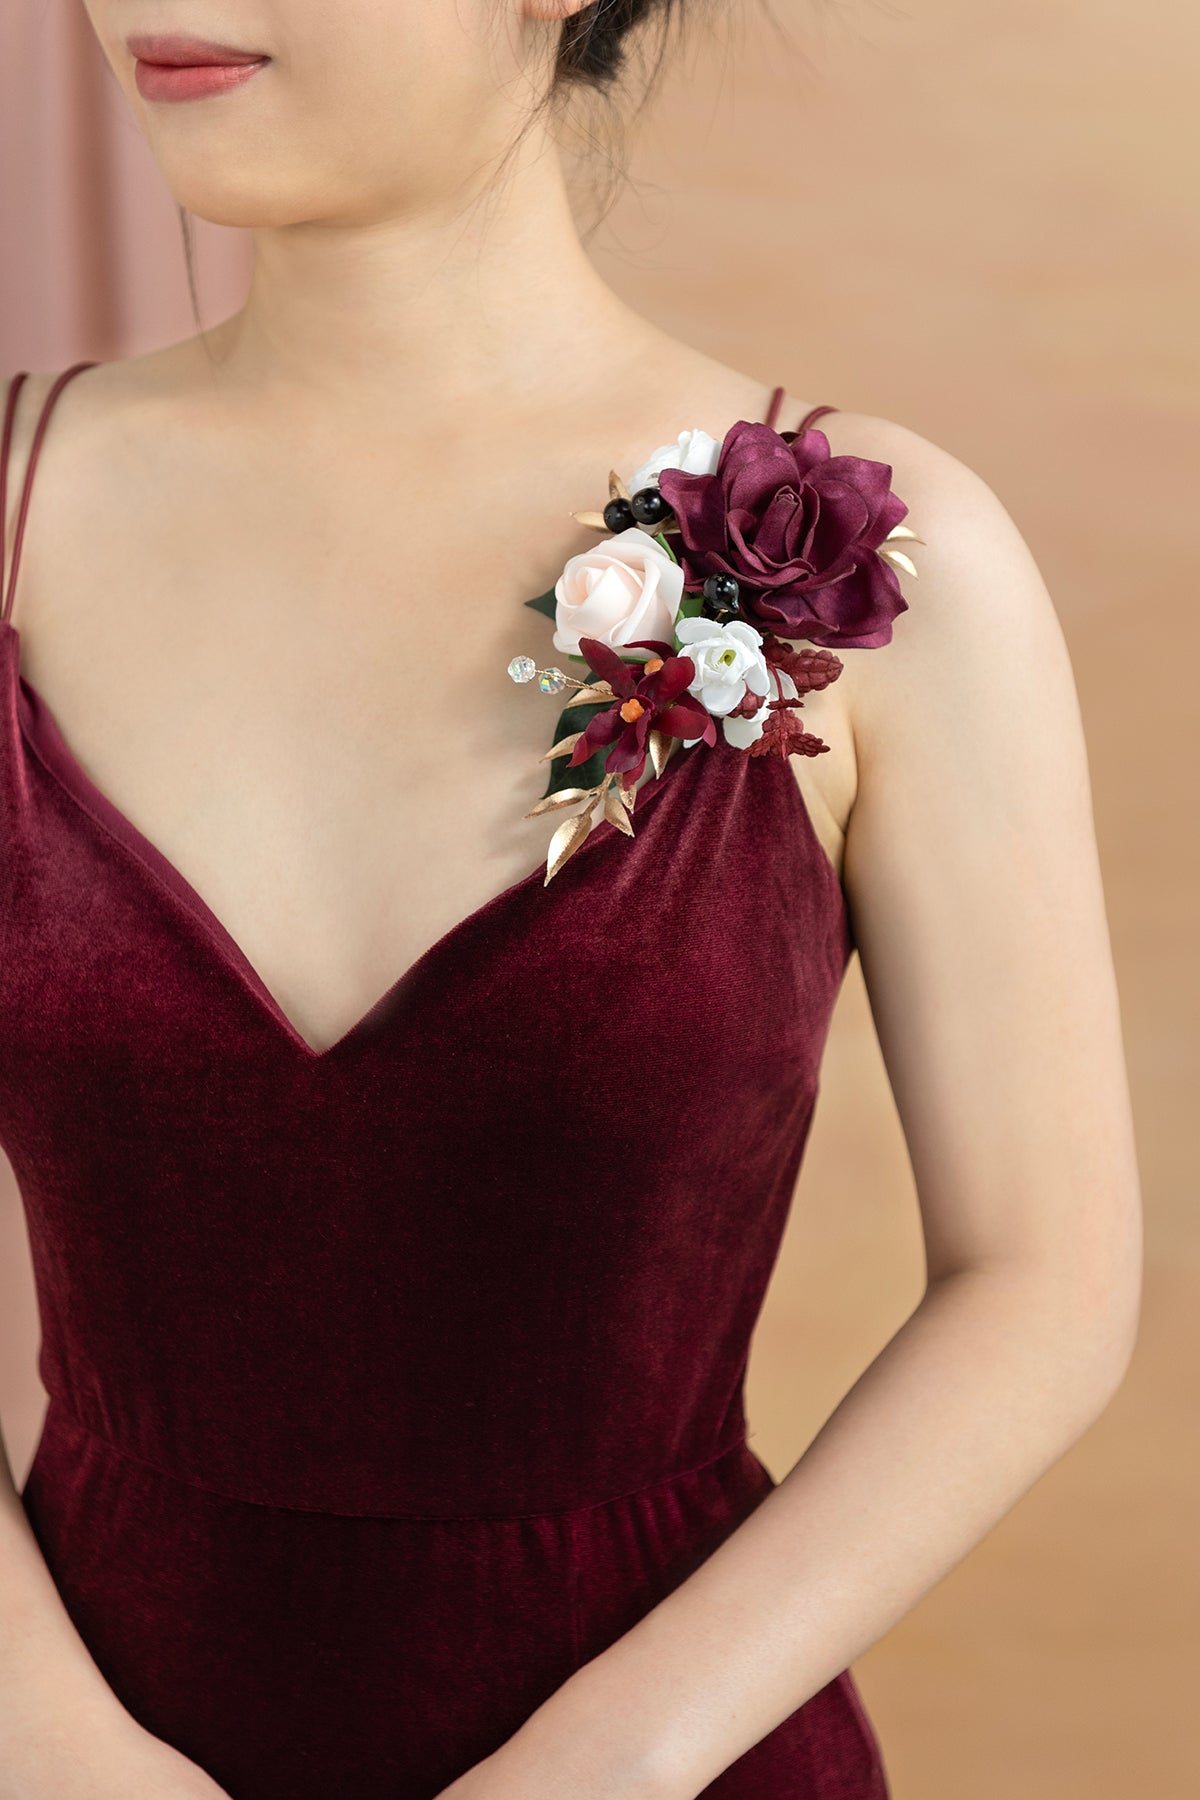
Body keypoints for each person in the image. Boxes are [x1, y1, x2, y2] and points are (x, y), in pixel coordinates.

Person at [0, 3, 1142, 1798]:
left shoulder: (904, 577)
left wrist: (612, 1761)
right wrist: (57, 1750)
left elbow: (1045, 1279)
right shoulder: (17, 508)